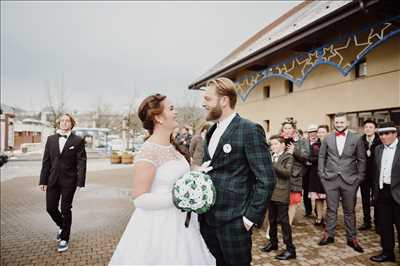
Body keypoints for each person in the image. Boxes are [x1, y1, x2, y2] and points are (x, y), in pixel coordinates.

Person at [109, 94, 215, 265]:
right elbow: (140, 199)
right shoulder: (148, 152)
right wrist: (179, 198)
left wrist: (197, 174)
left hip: (183, 224)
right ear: (158, 117)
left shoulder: (173, 147)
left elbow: (179, 176)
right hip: (159, 228)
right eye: (172, 108)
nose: (176, 112)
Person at [200, 77, 276, 266]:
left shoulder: (249, 129)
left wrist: (250, 217)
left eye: (208, 99)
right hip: (208, 220)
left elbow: (266, 179)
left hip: (234, 221)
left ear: (224, 100)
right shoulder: (211, 132)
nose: (203, 103)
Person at [317, 112, 366, 253]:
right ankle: (329, 235)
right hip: (330, 180)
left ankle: (352, 238)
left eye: (341, 122)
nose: (339, 124)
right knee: (331, 209)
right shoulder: (327, 138)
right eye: (337, 122)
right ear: (334, 123)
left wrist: (359, 178)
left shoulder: (356, 138)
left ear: (347, 123)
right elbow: (321, 157)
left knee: (349, 211)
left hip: (350, 180)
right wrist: (322, 175)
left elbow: (362, 159)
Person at [39, 113, 87, 252]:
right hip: (52, 179)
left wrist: (80, 181)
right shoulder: (51, 139)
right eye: (62, 121)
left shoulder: (78, 141)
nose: (65, 123)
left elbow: (81, 162)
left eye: (67, 121)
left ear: (72, 124)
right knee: (50, 208)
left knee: (66, 209)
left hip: (69, 180)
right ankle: (62, 226)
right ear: (59, 123)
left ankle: (65, 238)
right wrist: (43, 180)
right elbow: (46, 161)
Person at [260, 135, 296, 260]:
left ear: (282, 145)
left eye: (275, 144)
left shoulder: (288, 157)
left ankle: (290, 249)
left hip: (281, 194)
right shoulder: (270, 156)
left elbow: (287, 173)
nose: (273, 147)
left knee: (284, 222)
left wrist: (274, 163)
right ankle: (273, 243)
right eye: (272, 145)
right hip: (270, 194)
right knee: (272, 220)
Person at [370, 122, 400, 263]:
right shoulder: (378, 149)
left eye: (387, 133)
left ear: (395, 134)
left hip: (398, 193)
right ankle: (388, 252)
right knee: (385, 226)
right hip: (383, 192)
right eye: (381, 134)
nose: (383, 137)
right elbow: (376, 172)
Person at [280, 118, 310, 225]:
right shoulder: (279, 141)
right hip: (280, 175)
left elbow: (306, 157)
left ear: (294, 129)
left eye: (289, 128)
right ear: (282, 130)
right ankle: (282, 219)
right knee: (281, 199)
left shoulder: (301, 142)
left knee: (292, 201)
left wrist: (295, 151)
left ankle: (288, 223)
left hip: (294, 175)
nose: (287, 130)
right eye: (285, 128)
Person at [359, 119, 381, 232]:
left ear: (375, 129)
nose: (368, 129)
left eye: (370, 127)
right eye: (366, 127)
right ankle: (367, 221)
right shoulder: (360, 141)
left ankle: (378, 223)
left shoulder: (380, 140)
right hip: (364, 176)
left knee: (377, 199)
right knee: (365, 199)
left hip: (377, 175)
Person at [307, 124, 328, 226]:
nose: (321, 134)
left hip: (329, 174)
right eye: (319, 132)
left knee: (330, 198)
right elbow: (310, 158)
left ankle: (329, 218)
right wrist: (322, 157)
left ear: (327, 132)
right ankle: (319, 217)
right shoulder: (314, 145)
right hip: (316, 174)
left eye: (323, 132)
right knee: (318, 197)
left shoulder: (332, 144)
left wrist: (320, 157)